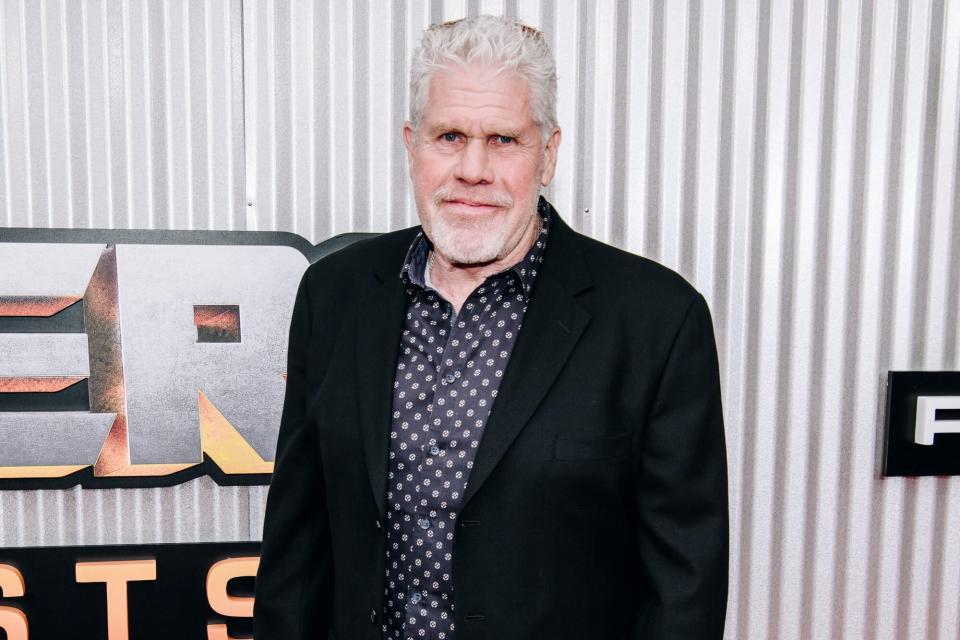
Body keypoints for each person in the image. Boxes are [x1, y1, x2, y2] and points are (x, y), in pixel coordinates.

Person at [254, 15, 728, 640]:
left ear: (549, 152)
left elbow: (684, 591)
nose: (472, 169)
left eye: (503, 140)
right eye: (449, 136)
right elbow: (298, 539)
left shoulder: (658, 320)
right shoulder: (334, 296)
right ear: (411, 144)